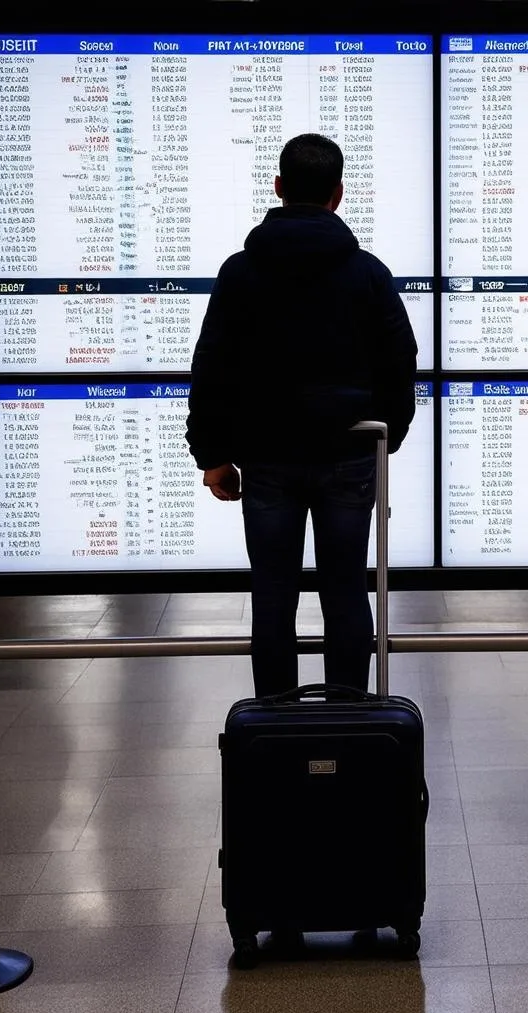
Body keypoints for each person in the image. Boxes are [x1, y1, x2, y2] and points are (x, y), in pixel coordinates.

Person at [186, 133, 417, 698]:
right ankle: (348, 718)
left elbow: (210, 366)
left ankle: (274, 724)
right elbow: (400, 361)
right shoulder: (367, 273)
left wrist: (212, 457)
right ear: (338, 195)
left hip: (266, 458)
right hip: (347, 456)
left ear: (279, 189)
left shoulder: (241, 272)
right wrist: (386, 437)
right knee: (345, 592)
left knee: (272, 594)